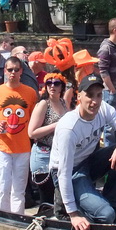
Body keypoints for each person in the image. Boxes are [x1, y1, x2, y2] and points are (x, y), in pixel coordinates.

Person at [50, 74, 116, 230]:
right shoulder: (69, 128)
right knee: (106, 216)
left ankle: (113, 203)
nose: (95, 101)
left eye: (98, 95)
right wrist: (73, 214)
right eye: (89, 96)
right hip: (69, 173)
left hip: (88, 162)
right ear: (79, 96)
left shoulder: (104, 109)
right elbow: (63, 172)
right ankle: (63, 207)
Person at [0, 56, 38, 214]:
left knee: (19, 190)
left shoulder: (30, 93)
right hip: (2, 147)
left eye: (16, 69)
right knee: (3, 187)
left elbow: (35, 116)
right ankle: (3, 220)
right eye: (10, 70)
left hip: (23, 147)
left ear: (21, 71)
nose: (13, 72)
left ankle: (18, 220)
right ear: (5, 71)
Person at [27, 71, 71, 212]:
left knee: (58, 198)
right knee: (46, 200)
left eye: (56, 83)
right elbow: (32, 132)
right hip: (43, 155)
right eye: (49, 83)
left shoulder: (63, 103)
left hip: (58, 155)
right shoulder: (43, 104)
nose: (52, 86)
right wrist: (56, 125)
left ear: (61, 87)